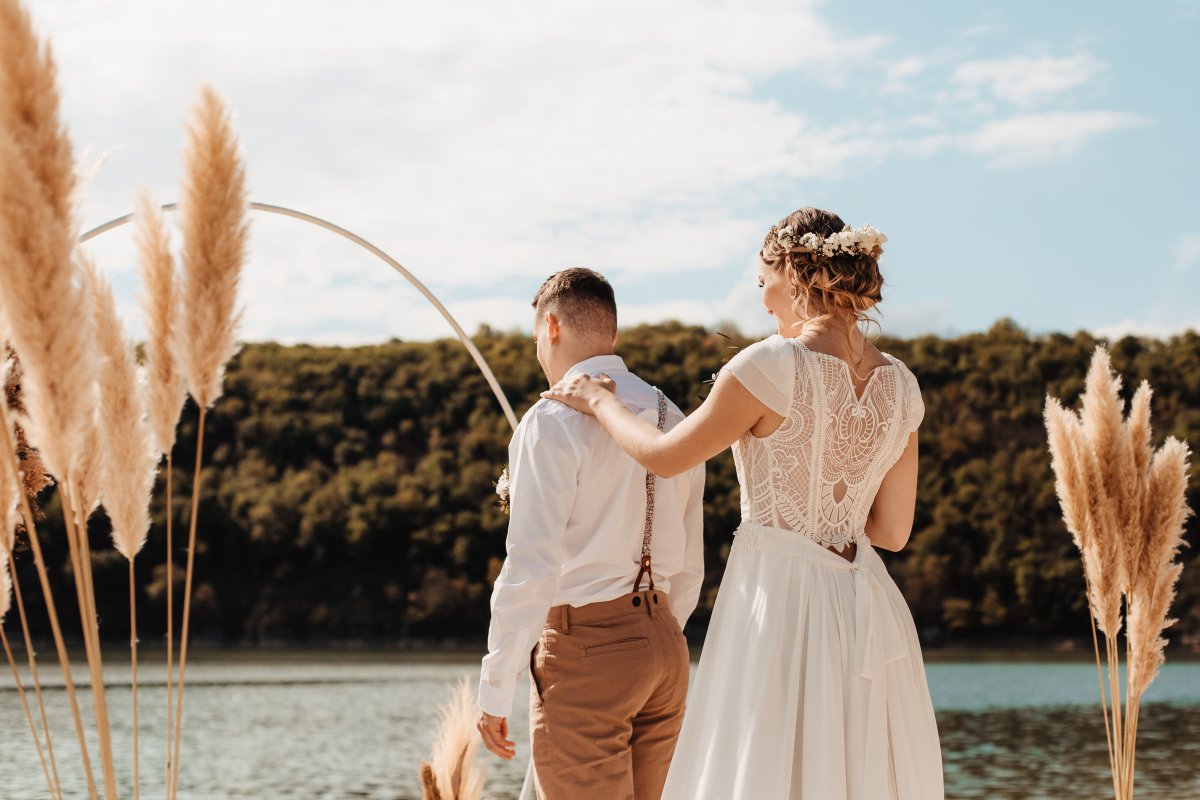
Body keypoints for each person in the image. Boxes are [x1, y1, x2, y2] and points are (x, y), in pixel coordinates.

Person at [542, 209, 944, 799]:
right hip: (866, 606)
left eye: (763, 283)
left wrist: (600, 403)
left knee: (765, 767)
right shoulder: (903, 386)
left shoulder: (771, 365)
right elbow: (892, 530)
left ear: (791, 269)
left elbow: (665, 456)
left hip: (780, 597)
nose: (763, 302)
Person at [476, 267, 706, 800]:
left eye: (536, 336)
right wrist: (658, 634)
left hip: (587, 656)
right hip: (666, 648)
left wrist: (495, 688)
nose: (538, 348)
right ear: (613, 334)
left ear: (550, 326)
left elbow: (531, 566)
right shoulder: (674, 416)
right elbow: (691, 562)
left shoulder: (550, 420)